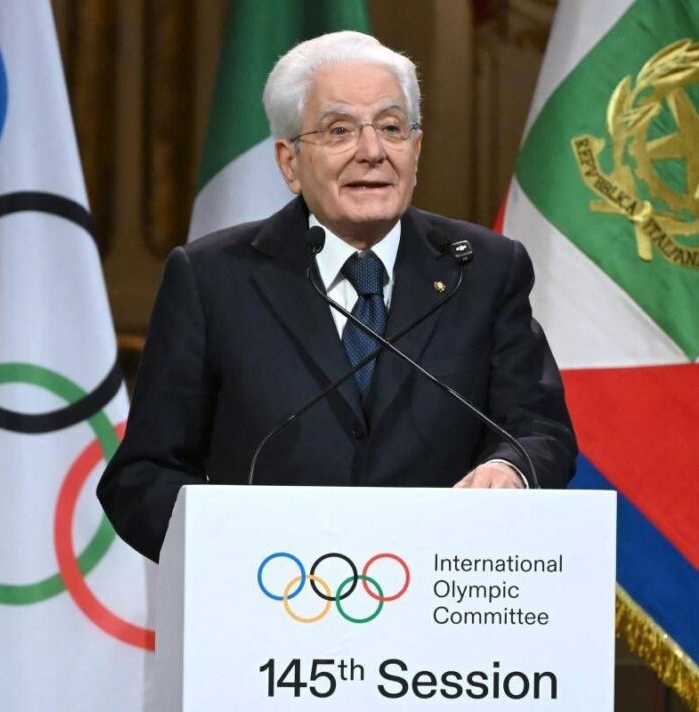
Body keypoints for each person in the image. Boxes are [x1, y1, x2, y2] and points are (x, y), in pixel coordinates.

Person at [97, 31, 576, 562]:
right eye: (340, 130)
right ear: (289, 163)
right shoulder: (212, 278)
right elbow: (143, 476)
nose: (372, 152)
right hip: (273, 591)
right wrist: (231, 550)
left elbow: (540, 430)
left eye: (391, 127)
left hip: (442, 588)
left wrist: (511, 468)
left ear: (415, 150)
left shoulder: (483, 269)